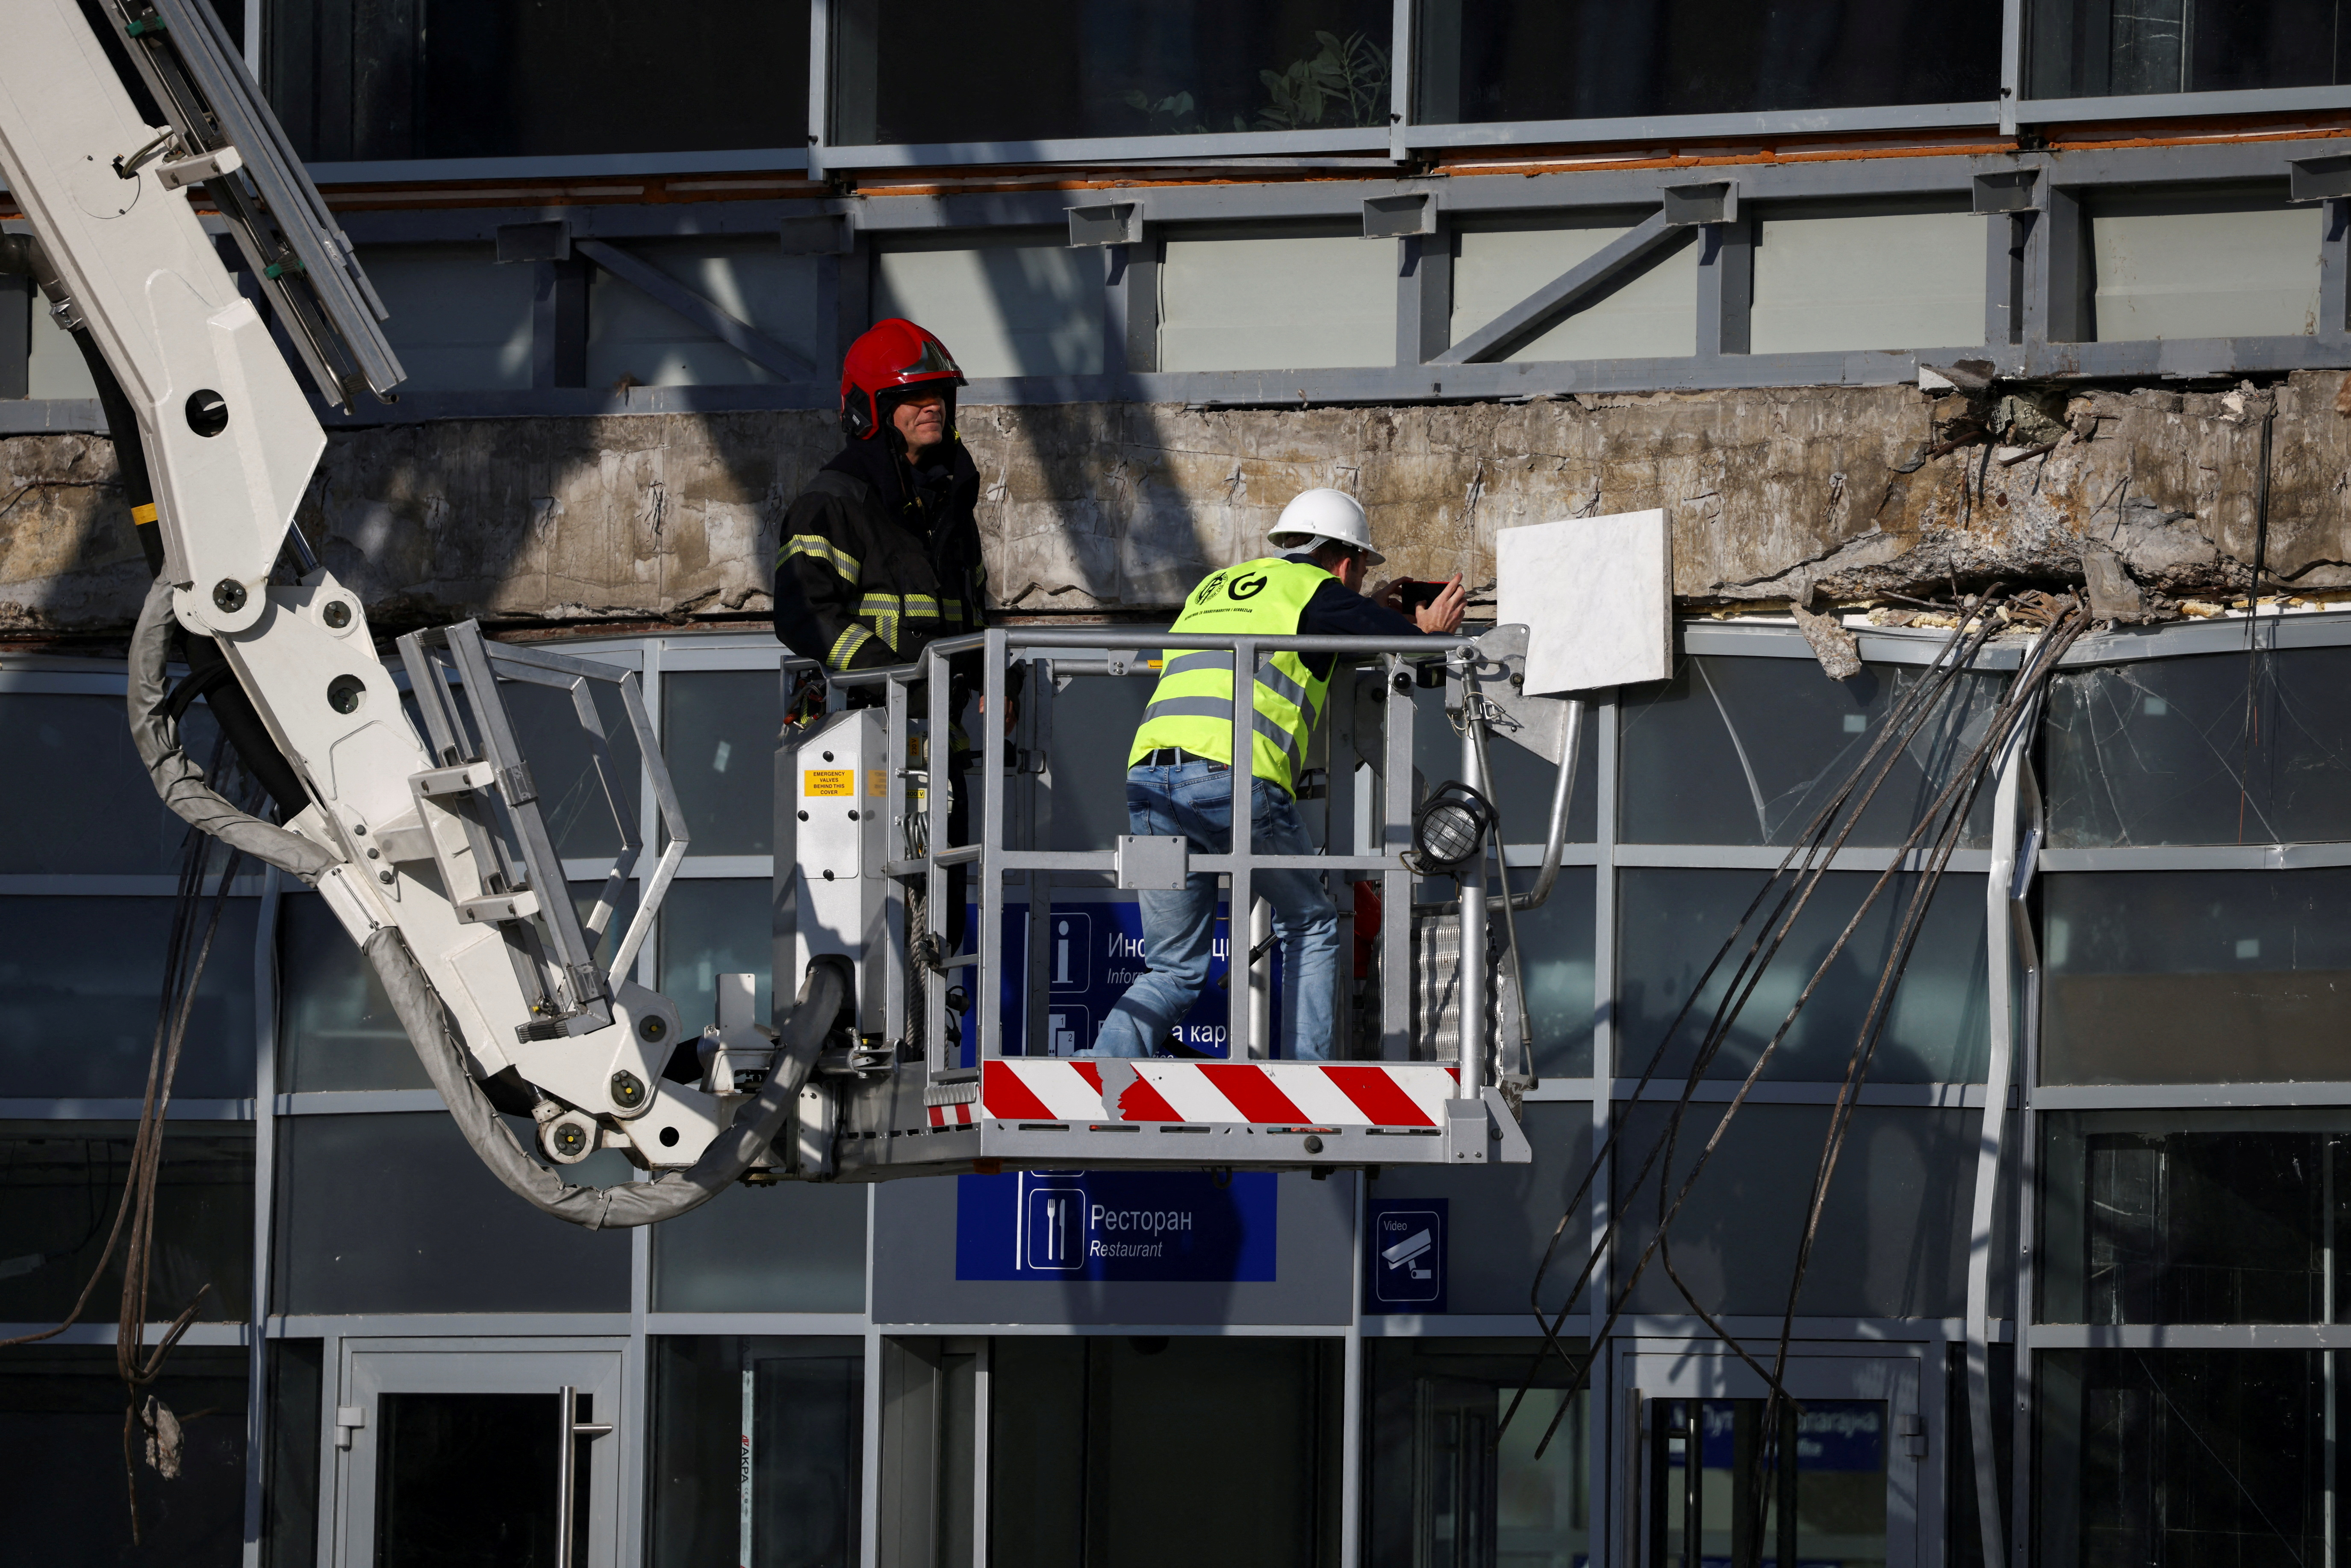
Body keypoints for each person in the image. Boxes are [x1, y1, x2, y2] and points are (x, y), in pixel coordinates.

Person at [1087, 488, 1466, 1061]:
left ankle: (1100, 1070)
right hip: (1231, 781)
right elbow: (1418, 655)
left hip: (1149, 781)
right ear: (1344, 561)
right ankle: (1307, 1078)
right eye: (1361, 571)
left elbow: (1295, 639)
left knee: (1172, 968)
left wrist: (1370, 615)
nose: (1359, 585)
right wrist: (1431, 635)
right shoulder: (1317, 591)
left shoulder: (1215, 588)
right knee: (1311, 925)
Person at [773, 318, 1002, 952]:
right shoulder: (834, 502)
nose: (932, 406)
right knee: (870, 917)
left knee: (941, 921)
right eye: (913, 396)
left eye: (940, 395)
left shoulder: (950, 506)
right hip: (862, 742)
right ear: (870, 411)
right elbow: (802, 610)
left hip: (936, 750)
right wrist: (896, 678)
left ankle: (933, 1027)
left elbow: (973, 615)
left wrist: (994, 675)